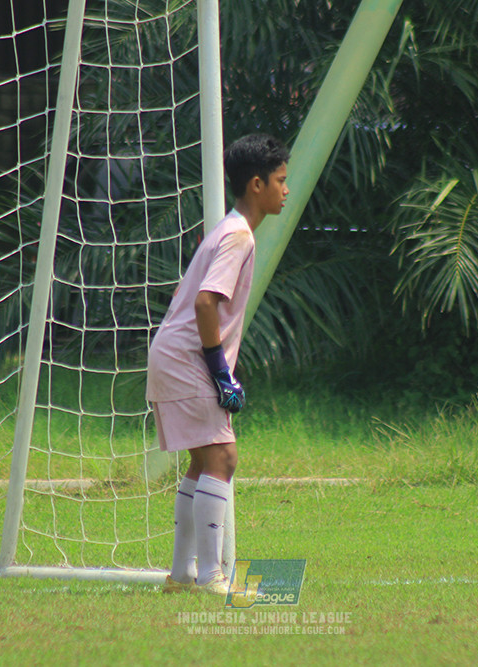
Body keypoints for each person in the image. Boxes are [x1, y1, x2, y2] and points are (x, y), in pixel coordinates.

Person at [146, 134, 290, 595]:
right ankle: (211, 577)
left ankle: (182, 574)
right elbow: (206, 303)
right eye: (281, 181)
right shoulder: (239, 236)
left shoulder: (227, 230)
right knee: (223, 457)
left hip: (172, 354)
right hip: (187, 358)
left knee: (202, 461)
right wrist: (220, 372)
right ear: (256, 184)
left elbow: (184, 295)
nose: (286, 190)